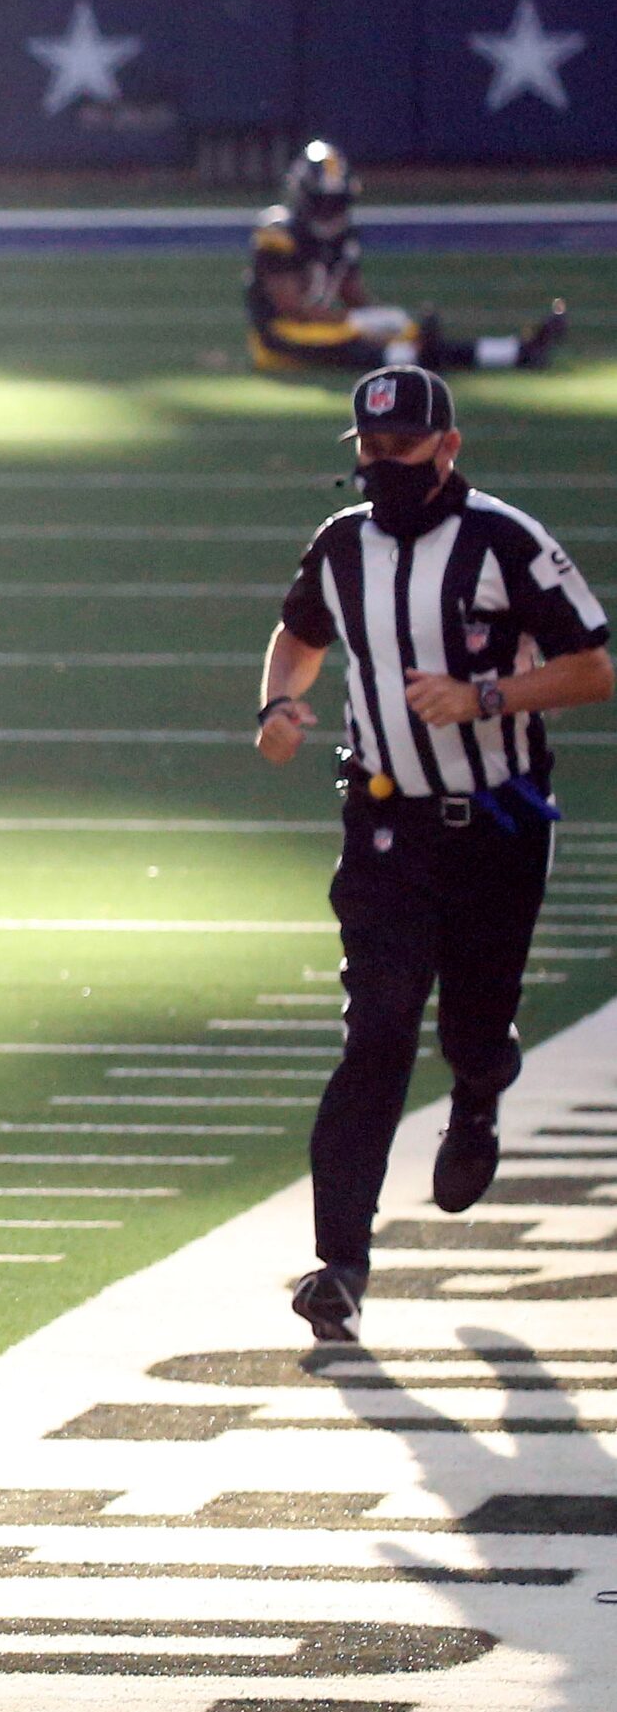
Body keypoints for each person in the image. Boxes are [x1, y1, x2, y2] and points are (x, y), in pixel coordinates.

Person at [255, 366, 610, 1342]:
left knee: (473, 1022)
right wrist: (279, 702)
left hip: (497, 820)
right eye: (369, 449)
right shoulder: (340, 546)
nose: (383, 465)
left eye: (402, 447)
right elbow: (297, 635)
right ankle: (340, 1260)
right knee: (374, 1028)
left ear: (447, 447)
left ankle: (476, 1093)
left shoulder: (505, 540)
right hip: (383, 826)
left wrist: (483, 698)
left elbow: (592, 667)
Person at [247, 141, 567, 376]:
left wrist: (382, 317)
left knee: (412, 337)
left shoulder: (345, 236)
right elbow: (292, 311)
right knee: (395, 350)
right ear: (304, 198)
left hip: (324, 330)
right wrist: (361, 323)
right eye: (324, 202)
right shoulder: (278, 234)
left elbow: (351, 294)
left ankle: (517, 351)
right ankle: (508, 353)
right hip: (281, 339)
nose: (331, 212)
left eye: (337, 202)